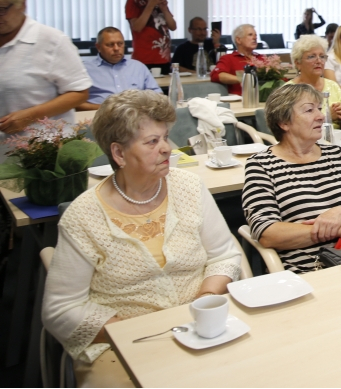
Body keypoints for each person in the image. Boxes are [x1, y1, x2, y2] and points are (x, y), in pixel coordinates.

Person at [42, 90, 242, 372]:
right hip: (123, 344)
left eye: (165, 137)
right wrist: (129, 330)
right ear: (118, 153)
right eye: (152, 141)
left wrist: (204, 301)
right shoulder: (83, 216)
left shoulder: (188, 187)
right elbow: (60, 309)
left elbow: (224, 255)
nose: (167, 148)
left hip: (202, 328)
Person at [242, 83, 341, 273]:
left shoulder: (337, 155)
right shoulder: (261, 165)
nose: (321, 116)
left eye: (319, 109)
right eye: (309, 110)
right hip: (309, 267)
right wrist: (338, 229)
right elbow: (268, 233)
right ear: (284, 122)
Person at [0, 0, 91, 139]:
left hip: (42, 151)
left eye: (2, 9)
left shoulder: (52, 41)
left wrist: (29, 116)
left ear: (22, 4)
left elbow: (79, 93)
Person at [286, 35, 341, 132]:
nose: (319, 61)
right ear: (298, 63)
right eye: (311, 57)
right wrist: (328, 117)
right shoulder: (289, 90)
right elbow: (291, 128)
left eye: (322, 56)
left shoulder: (332, 86)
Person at [79, 28, 161, 110]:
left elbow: (158, 95)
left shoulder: (138, 67)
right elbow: (76, 104)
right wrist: (107, 109)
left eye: (120, 44)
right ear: (98, 47)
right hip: (99, 116)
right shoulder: (85, 69)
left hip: (137, 115)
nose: (116, 48)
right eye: (110, 45)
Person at [125, 0, 177, 74]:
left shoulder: (160, 3)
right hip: (144, 59)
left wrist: (164, 9)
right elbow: (137, 27)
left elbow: (173, 26)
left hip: (164, 58)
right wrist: (150, 5)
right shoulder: (134, 1)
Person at [210, 24, 264, 95]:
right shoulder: (228, 58)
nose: (255, 38)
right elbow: (216, 75)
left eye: (255, 35)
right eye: (250, 35)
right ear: (238, 40)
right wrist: (244, 78)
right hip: (240, 100)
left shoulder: (261, 58)